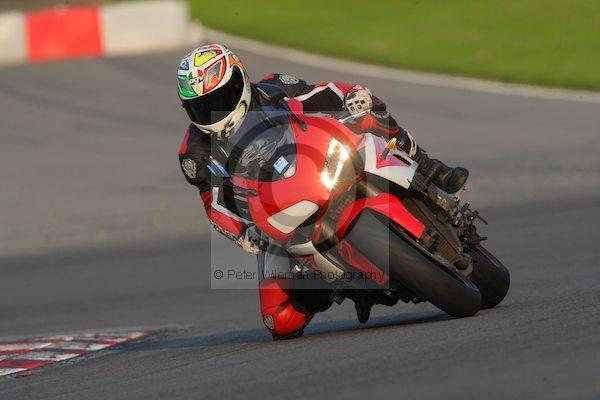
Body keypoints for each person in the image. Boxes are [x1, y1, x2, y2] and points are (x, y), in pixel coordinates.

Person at [177, 44, 469, 339]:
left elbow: (323, 93)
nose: (213, 110)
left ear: (240, 80)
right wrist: (242, 233)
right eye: (200, 106)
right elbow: (214, 203)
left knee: (370, 115)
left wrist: (351, 96)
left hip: (318, 164)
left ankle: (431, 169)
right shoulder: (195, 153)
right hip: (274, 216)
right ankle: (336, 284)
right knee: (279, 319)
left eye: (220, 97)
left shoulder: (274, 88)